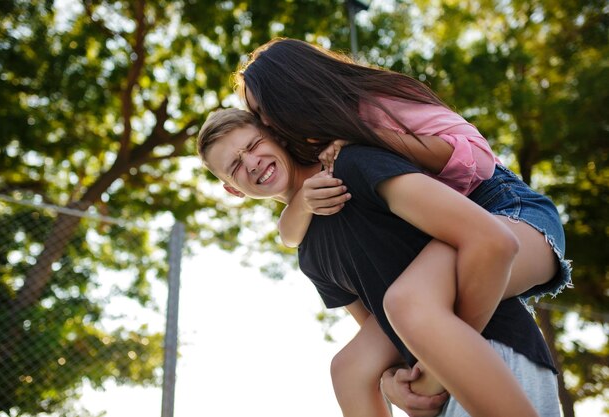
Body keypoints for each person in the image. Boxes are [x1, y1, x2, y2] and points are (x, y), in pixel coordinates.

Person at [235, 39, 571, 415]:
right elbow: (294, 234)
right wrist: (390, 377)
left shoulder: (378, 102)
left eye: (262, 111)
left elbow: (476, 158)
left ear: (292, 91)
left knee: (408, 301)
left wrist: (435, 369)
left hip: (509, 207)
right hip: (458, 229)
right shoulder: (326, 185)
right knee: (349, 368)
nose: (265, 124)